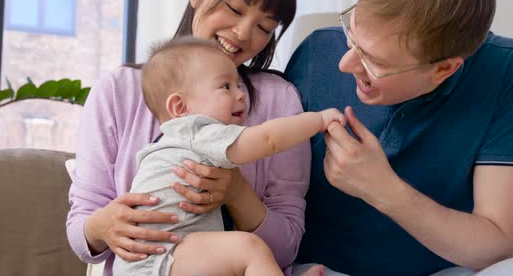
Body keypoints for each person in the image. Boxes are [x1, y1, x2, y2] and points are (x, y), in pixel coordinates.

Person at [285, 0, 513, 275]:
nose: (345, 65)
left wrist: (382, 188)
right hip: (320, 270)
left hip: (440, 271)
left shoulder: (511, 71)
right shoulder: (317, 50)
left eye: (374, 61)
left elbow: (496, 247)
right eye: (351, 35)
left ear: (443, 70)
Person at [67, 0, 324, 275]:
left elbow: (286, 247)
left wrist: (235, 192)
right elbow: (81, 233)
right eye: (234, 8)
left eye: (264, 27)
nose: (244, 33)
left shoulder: (279, 101)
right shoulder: (119, 90)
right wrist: (103, 226)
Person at [112, 37, 345, 276]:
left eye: (239, 85)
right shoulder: (196, 130)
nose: (241, 94)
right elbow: (267, 139)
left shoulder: (171, 143)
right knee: (249, 248)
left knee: (237, 256)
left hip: (165, 256)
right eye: (226, 86)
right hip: (158, 259)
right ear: (180, 107)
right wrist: (318, 120)